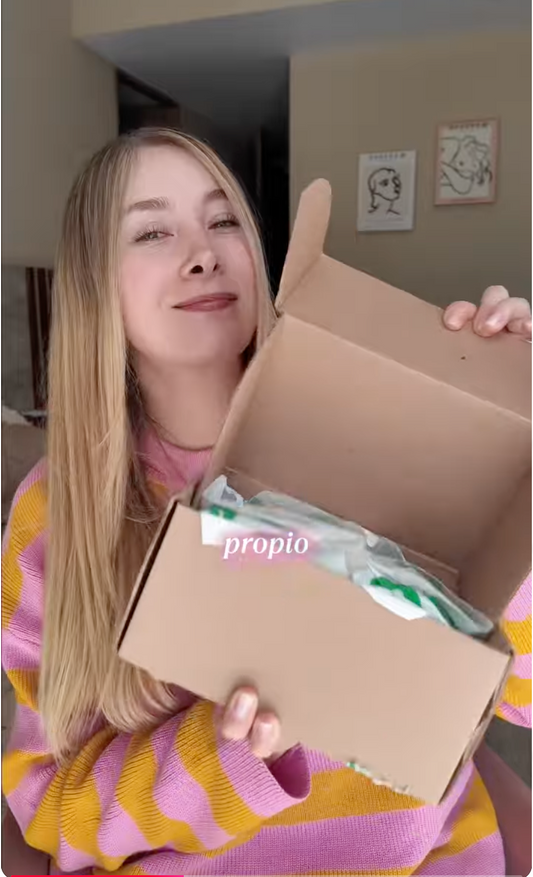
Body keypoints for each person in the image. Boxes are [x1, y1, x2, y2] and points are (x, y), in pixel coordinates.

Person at [2, 127, 531, 877]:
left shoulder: (377, 435)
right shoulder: (58, 512)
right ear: (94, 284)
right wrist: (222, 757)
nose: (202, 253)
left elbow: (523, 699)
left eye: (223, 220)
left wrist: (505, 476)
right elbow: (50, 810)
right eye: (152, 231)